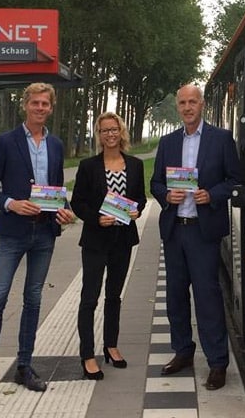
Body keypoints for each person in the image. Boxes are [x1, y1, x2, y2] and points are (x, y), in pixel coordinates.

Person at [0, 82, 76, 402]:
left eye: (45, 104)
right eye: (35, 103)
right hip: (13, 232)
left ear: (51, 108)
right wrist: (11, 203)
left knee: (34, 299)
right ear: (25, 105)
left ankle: (24, 366)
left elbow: (56, 188)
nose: (40, 108)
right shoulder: (6, 142)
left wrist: (65, 210)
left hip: (44, 233)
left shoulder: (55, 145)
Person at [150, 84, 241, 391]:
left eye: (192, 102)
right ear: (178, 106)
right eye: (182, 103)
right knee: (175, 295)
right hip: (175, 229)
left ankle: (217, 362)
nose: (187, 107)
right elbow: (155, 183)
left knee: (207, 296)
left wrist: (211, 195)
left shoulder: (221, 139)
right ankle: (183, 352)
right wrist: (166, 195)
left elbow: (235, 181)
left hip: (204, 232)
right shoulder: (168, 142)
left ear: (202, 105)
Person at [70, 112, 147, 380]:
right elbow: (77, 202)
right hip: (95, 239)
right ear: (99, 135)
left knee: (114, 295)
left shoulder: (135, 165)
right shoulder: (88, 166)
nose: (110, 134)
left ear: (121, 132)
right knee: (89, 297)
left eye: (114, 129)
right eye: (104, 131)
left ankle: (111, 345)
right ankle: (87, 354)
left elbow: (140, 198)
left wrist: (136, 210)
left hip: (123, 239)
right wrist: (96, 218)